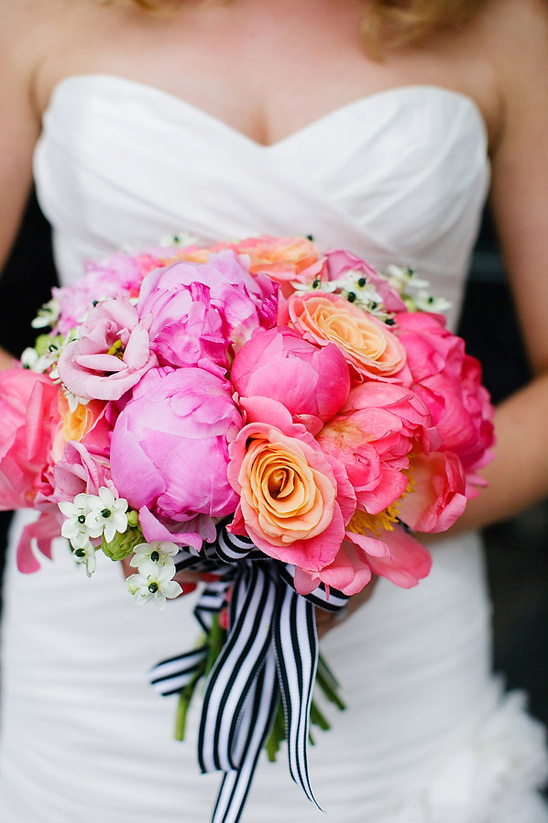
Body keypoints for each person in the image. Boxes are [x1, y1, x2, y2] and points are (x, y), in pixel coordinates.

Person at [1, 0, 548, 820]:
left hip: (397, 660)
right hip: (96, 656)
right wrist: (108, 486)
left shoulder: (500, 21)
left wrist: (367, 516)